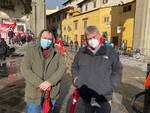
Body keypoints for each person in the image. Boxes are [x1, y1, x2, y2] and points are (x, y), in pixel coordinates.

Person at [71, 26, 122, 113]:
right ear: (86, 39)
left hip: (104, 96)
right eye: (89, 38)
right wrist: (76, 80)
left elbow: (117, 69)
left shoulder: (110, 51)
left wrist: (111, 85)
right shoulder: (81, 52)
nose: (92, 40)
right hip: (86, 95)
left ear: (99, 35)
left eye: (94, 37)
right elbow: (74, 66)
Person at [21, 29, 66, 113]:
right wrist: (40, 83)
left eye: (49, 39)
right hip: (33, 94)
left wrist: (50, 82)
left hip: (51, 94)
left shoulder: (57, 52)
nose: (47, 41)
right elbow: (25, 69)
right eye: (45, 38)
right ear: (40, 38)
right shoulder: (31, 51)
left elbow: (62, 68)